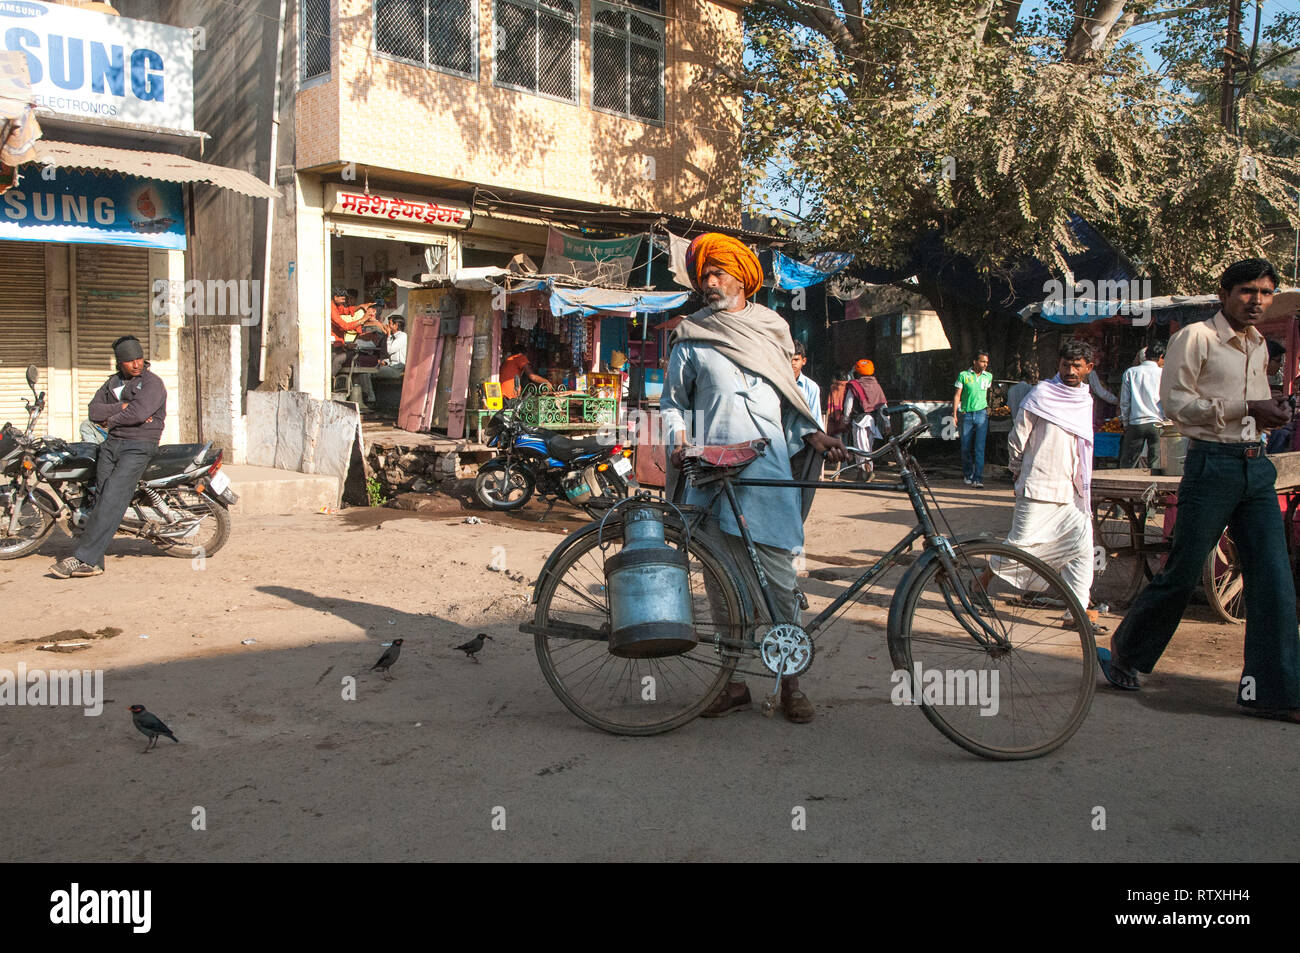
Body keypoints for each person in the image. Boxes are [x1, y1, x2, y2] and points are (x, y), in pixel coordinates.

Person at [1100, 258, 1300, 723]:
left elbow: (1247, 413)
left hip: (1256, 468)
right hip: (1211, 466)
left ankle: (1274, 693)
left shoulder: (1257, 346)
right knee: (1184, 572)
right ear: (1225, 293)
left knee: (1273, 580)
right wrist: (1247, 407)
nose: (1257, 301)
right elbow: (1176, 406)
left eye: (1266, 293)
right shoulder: (1195, 338)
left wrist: (1272, 411)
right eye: (1248, 291)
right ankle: (1127, 653)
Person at [661, 232, 847, 724]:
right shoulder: (690, 335)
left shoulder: (773, 329)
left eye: (718, 272)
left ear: (743, 276)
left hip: (767, 475)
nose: (710, 281)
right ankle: (732, 683)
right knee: (722, 588)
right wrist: (679, 440)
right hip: (709, 474)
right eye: (704, 274)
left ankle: (791, 685)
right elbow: (673, 404)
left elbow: (790, 400)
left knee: (780, 583)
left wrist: (813, 434)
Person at [990, 340, 1098, 624]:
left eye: (1077, 365)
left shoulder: (1085, 399)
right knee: (1019, 547)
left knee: (1082, 548)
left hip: (1071, 489)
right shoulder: (1042, 393)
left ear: (1089, 368)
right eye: (1066, 365)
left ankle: (1077, 612)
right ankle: (979, 583)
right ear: (1058, 365)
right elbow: (1018, 436)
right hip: (1038, 482)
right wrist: (1016, 470)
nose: (1070, 371)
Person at [51, 336, 167, 578]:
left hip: (139, 445)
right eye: (129, 361)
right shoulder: (111, 383)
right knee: (100, 499)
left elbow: (139, 412)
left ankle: (84, 559)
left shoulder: (153, 383)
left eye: (139, 359)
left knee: (112, 497)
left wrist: (112, 417)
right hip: (111, 445)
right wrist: (122, 409)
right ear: (119, 362)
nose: (136, 364)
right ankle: (95, 561)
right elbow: (94, 411)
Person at [1118, 340, 1166, 470]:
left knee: (1128, 463)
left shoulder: (1131, 372)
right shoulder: (1163, 374)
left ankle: (1127, 488)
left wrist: (1125, 422)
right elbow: (1167, 399)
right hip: (1157, 423)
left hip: (1136, 423)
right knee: (1156, 463)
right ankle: (1154, 489)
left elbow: (1125, 401)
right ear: (1161, 357)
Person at [841, 358, 888, 479]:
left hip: (859, 422)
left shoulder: (854, 386)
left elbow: (848, 405)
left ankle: (866, 471)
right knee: (868, 448)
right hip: (873, 422)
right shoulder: (876, 386)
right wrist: (887, 423)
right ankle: (864, 472)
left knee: (860, 448)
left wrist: (845, 420)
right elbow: (883, 406)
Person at [953, 351, 992, 487]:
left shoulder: (988, 377)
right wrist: (954, 414)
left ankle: (978, 478)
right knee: (965, 447)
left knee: (979, 447)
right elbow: (957, 395)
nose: (985, 364)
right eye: (982, 361)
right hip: (966, 414)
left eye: (986, 362)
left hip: (982, 414)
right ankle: (968, 474)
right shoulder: (964, 375)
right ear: (975, 361)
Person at [791, 339, 822, 424]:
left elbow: (816, 417)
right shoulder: (778, 384)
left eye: (796, 359)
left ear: (803, 361)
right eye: (790, 359)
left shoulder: (811, 387)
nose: (792, 363)